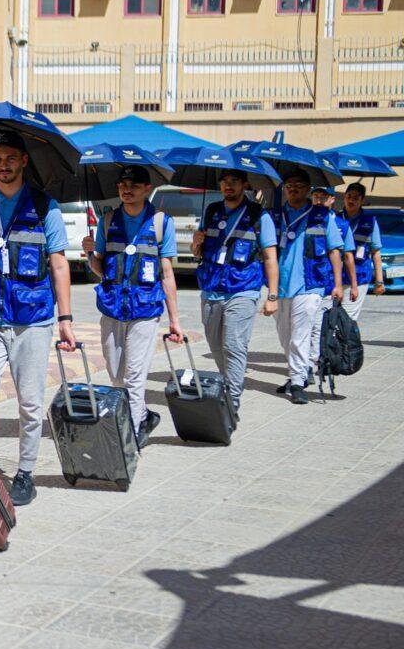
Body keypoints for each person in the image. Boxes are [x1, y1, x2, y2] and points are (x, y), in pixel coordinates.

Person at [0, 130, 76, 507]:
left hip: (32, 319)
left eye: (10, 158)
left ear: (24, 160)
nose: (3, 165)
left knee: (29, 401)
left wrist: (66, 318)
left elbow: (59, 264)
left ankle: (25, 473)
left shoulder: (45, 207)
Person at [82, 165, 184, 448]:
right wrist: (90, 254)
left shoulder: (161, 222)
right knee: (116, 375)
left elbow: (167, 273)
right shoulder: (107, 221)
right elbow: (102, 270)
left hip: (145, 310)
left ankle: (133, 432)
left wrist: (175, 320)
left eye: (134, 185)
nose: (127, 190)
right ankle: (144, 416)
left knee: (135, 376)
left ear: (147, 189)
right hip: (112, 307)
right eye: (122, 185)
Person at [190, 169, 279, 417]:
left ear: (244, 185)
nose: (228, 186)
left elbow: (270, 257)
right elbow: (198, 252)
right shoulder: (212, 211)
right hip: (211, 288)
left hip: (243, 288)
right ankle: (227, 384)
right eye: (224, 182)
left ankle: (232, 399)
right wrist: (196, 242)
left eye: (234, 182)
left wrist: (272, 296)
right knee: (216, 345)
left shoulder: (259, 215)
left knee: (233, 345)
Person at [271, 169, 344, 405]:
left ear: (309, 190)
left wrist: (338, 284)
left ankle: (297, 381)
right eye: (289, 185)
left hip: (310, 283)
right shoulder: (274, 215)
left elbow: (334, 250)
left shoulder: (322, 216)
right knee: (285, 336)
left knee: (300, 336)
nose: (294, 188)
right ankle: (298, 373)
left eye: (299, 185)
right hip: (280, 286)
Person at [309, 186, 359, 379]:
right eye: (315, 196)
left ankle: (312, 365)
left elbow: (347, 256)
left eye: (323, 197)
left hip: (328, 283)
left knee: (318, 326)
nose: (318, 200)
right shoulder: (305, 219)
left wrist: (352, 285)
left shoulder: (341, 224)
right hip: (308, 281)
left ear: (332, 199)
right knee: (303, 327)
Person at [339, 182, 386, 319]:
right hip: (336, 275)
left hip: (359, 275)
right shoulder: (335, 218)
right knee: (331, 316)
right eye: (349, 196)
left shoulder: (370, 221)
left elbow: (375, 252)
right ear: (344, 197)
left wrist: (379, 281)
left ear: (362, 200)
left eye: (356, 198)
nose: (351, 200)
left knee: (348, 317)